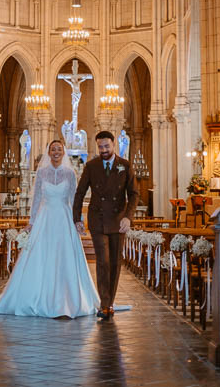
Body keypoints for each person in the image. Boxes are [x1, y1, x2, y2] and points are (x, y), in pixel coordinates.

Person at [0, 139, 98, 318]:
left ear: (63, 152)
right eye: (53, 149)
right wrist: (31, 222)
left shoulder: (70, 173)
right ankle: (36, 297)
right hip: (45, 218)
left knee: (64, 256)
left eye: (59, 149)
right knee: (41, 255)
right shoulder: (41, 173)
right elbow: (36, 200)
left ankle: (67, 300)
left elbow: (75, 199)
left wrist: (78, 221)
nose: (56, 152)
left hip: (64, 218)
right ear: (49, 152)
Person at [74, 130, 139, 321]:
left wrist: (128, 217)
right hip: (98, 220)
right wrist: (77, 218)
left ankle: (110, 301)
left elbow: (134, 194)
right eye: (100, 147)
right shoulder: (91, 166)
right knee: (103, 261)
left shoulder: (125, 166)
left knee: (115, 263)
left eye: (106, 146)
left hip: (119, 221)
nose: (103, 150)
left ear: (113, 145)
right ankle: (104, 304)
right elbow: (80, 192)